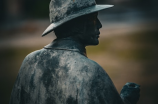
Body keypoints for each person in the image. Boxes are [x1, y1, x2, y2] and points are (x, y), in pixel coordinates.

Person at [10, 0, 140, 104]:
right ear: (78, 24)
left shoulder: (29, 61)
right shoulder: (91, 72)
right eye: (94, 18)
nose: (99, 25)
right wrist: (127, 99)